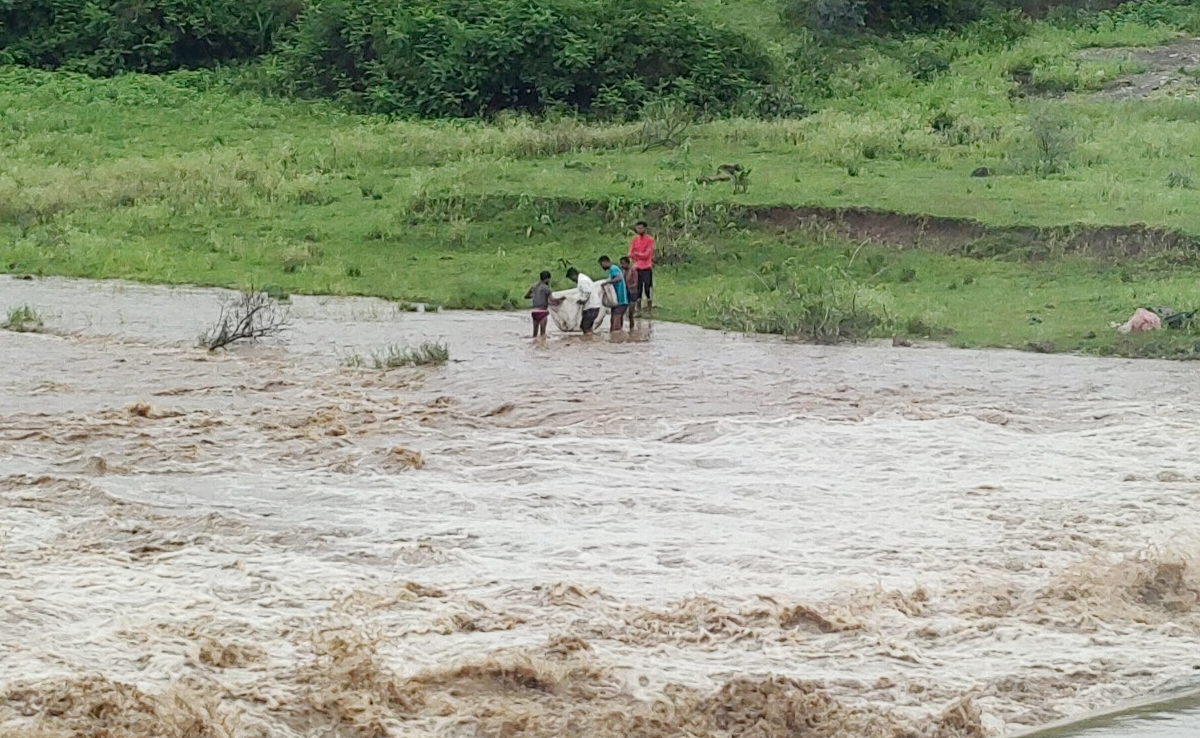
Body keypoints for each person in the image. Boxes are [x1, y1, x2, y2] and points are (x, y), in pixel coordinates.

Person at [565, 266, 602, 335]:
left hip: (591, 306)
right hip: (592, 306)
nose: (572, 281)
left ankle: (589, 341)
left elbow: (587, 292)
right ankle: (591, 340)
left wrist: (582, 301)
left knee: (585, 327)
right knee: (586, 326)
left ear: (573, 275)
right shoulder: (582, 279)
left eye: (571, 279)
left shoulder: (583, 281)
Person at [628, 221, 655, 311]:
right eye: (637, 228)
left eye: (640, 228)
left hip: (646, 267)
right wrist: (639, 255)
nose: (638, 230)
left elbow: (647, 254)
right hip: (637, 267)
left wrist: (636, 254)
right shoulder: (635, 239)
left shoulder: (650, 240)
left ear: (645, 229)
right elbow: (630, 253)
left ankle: (649, 307)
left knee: (647, 288)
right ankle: (638, 308)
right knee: (638, 288)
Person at [598, 255, 628, 332]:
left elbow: (618, 278)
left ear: (605, 262)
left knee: (615, 326)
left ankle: (615, 340)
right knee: (616, 324)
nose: (602, 267)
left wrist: (607, 282)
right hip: (618, 301)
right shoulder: (613, 269)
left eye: (602, 264)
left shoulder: (613, 269)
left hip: (620, 300)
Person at [524, 270, 553, 338]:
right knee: (543, 335)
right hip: (542, 312)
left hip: (534, 312)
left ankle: (534, 347)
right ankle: (541, 347)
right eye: (549, 279)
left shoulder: (534, 286)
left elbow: (526, 296)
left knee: (534, 335)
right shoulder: (547, 288)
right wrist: (561, 299)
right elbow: (552, 300)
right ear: (547, 279)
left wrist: (534, 296)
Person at [620, 256, 639, 330]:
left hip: (632, 293)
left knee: (631, 314)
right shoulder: (623, 271)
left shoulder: (633, 271)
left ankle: (631, 329)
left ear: (628, 263)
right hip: (625, 293)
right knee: (621, 312)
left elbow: (635, 283)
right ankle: (620, 328)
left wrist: (627, 286)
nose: (622, 265)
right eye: (621, 264)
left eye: (623, 263)